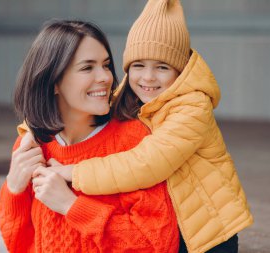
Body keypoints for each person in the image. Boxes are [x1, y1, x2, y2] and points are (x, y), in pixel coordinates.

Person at [18, 1, 254, 252]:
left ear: (180, 71)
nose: (148, 77)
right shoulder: (130, 93)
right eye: (138, 65)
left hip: (206, 231)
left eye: (162, 67)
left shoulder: (192, 107)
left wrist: (72, 173)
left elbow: (145, 163)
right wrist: (31, 131)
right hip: (171, 217)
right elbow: (72, 107)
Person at [0, 19, 180, 253]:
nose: (105, 77)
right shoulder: (33, 145)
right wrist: (14, 187)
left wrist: (70, 205)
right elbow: (18, 244)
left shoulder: (134, 142)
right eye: (87, 67)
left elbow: (158, 246)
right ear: (54, 82)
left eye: (105, 65)